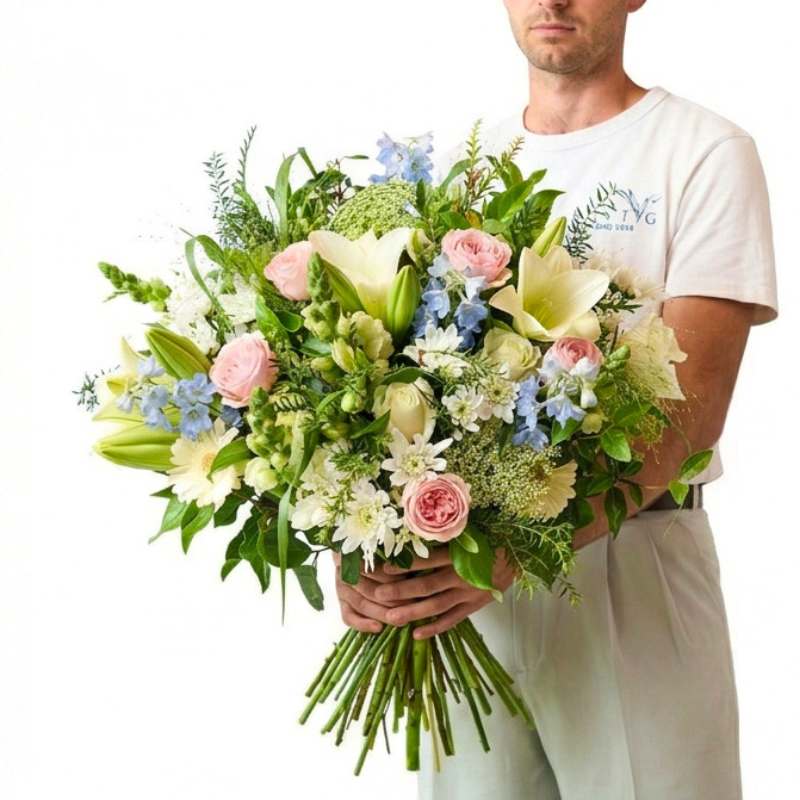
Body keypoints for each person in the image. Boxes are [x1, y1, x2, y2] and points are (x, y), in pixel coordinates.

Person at [332, 1, 779, 797]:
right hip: (468, 585)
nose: (553, 0)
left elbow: (692, 415)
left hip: (632, 562)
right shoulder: (466, 175)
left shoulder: (703, 153)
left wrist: (521, 553)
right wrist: (380, 555)